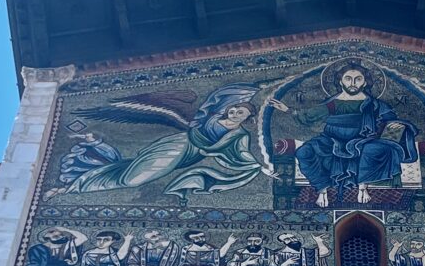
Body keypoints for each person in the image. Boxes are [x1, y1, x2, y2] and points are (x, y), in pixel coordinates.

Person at [51, 84, 279, 199]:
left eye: (242, 114)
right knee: (133, 180)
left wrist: (262, 169)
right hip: (178, 146)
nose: (236, 113)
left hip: (190, 158)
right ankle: (76, 186)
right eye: (236, 109)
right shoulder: (210, 115)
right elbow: (228, 94)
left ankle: (93, 158)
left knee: (131, 172)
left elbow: (243, 155)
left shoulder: (239, 136)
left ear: (248, 119)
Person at [295, 61, 418, 207]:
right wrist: (287, 110)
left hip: (364, 139)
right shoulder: (333, 103)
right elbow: (308, 116)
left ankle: (362, 187)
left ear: (365, 82)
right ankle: (322, 190)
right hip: (332, 139)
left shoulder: (373, 104)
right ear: (340, 81)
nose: (352, 82)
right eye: (348, 78)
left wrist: (397, 125)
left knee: (375, 150)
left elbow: (390, 119)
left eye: (358, 79)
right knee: (304, 151)